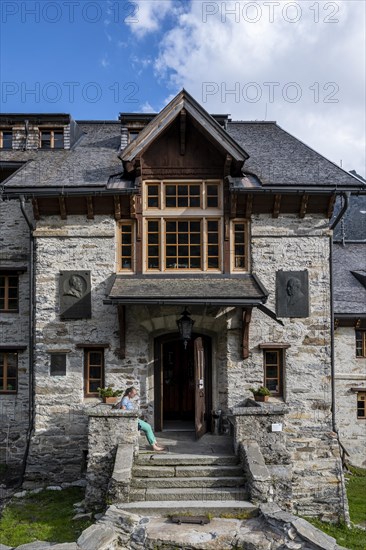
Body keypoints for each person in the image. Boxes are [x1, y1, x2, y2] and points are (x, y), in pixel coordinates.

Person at [118, 387, 165, 452]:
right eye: (134, 394)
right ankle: (154, 446)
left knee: (148, 427)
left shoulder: (127, 399)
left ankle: (155, 443)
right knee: (148, 427)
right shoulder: (125, 399)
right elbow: (123, 410)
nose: (134, 395)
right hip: (131, 420)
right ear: (129, 393)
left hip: (134, 419)